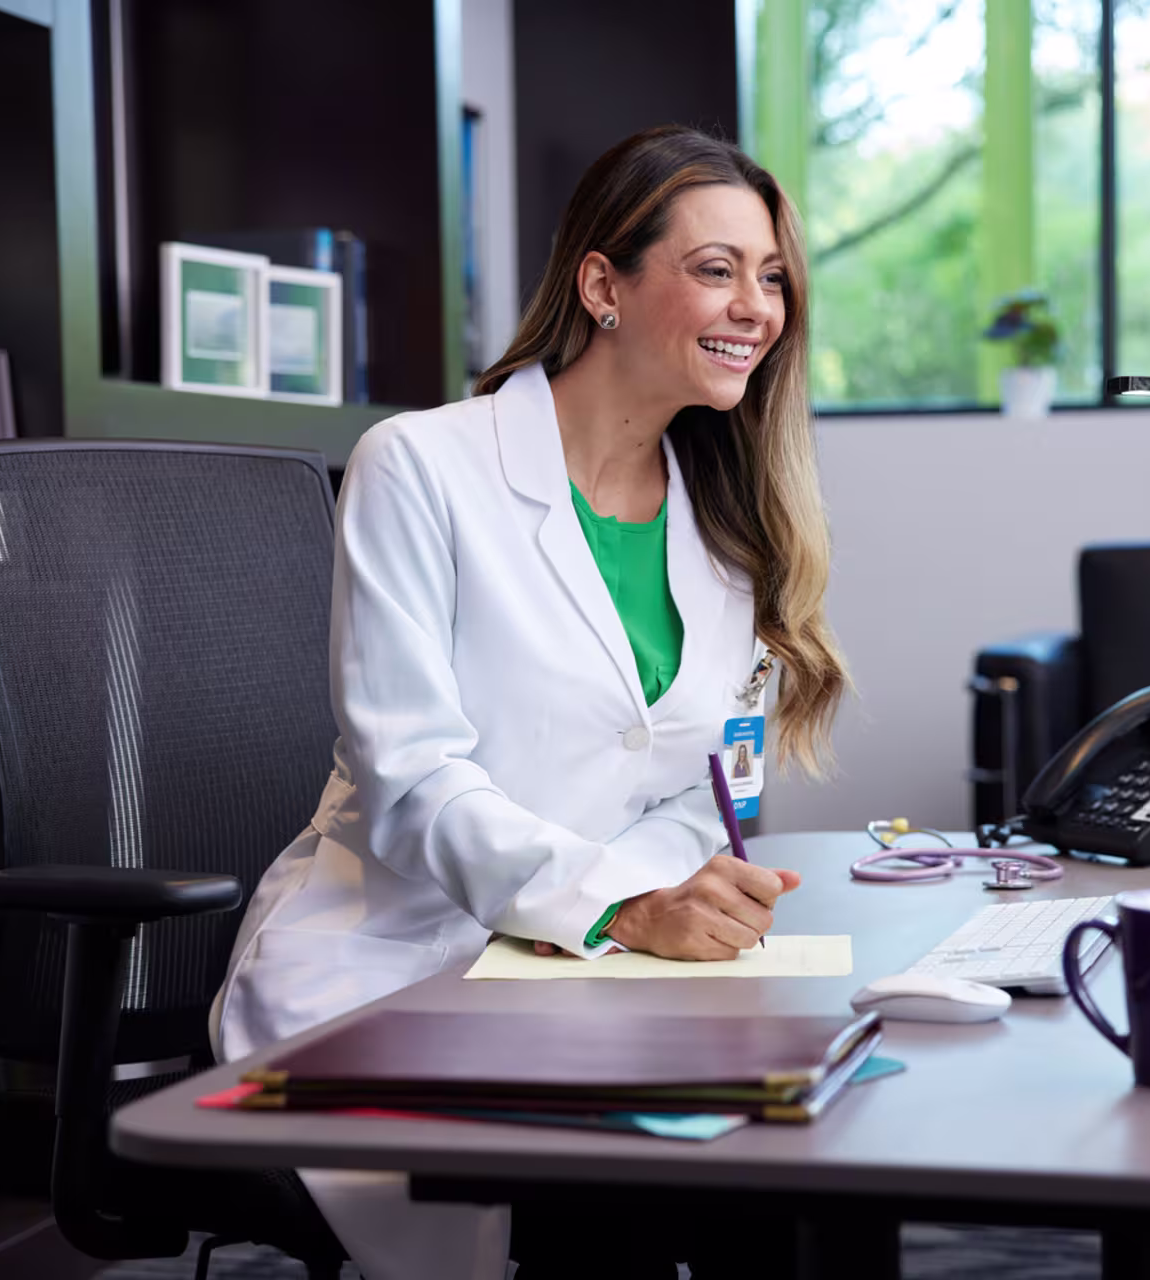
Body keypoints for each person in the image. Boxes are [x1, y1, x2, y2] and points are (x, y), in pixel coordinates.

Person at [207, 125, 847, 1280]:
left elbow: (700, 789)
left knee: (797, 1154)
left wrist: (674, 888)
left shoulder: (727, 528)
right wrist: (618, 903)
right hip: (397, 959)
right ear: (603, 283)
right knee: (606, 1213)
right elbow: (413, 779)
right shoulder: (422, 465)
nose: (758, 305)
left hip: (592, 975)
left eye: (772, 277)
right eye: (716, 268)